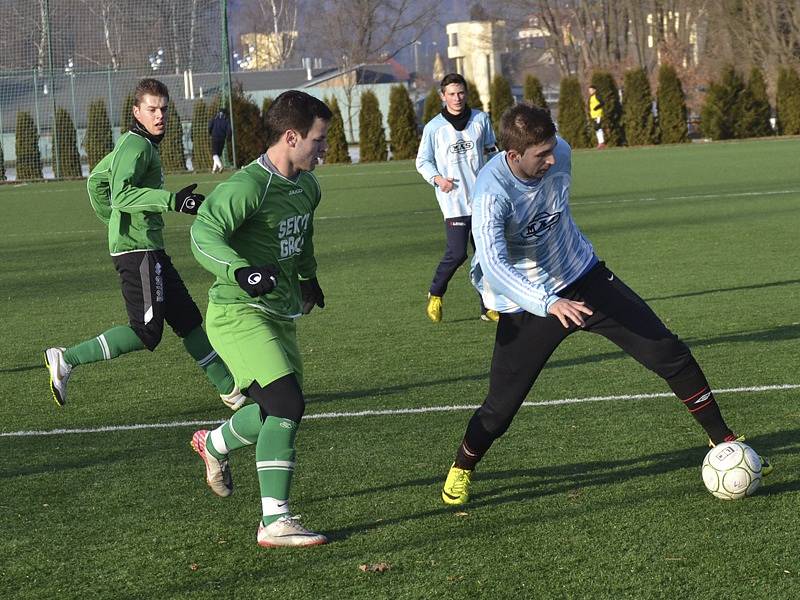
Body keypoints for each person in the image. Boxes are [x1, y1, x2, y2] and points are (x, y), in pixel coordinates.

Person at [440, 103, 772, 505]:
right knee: (500, 408)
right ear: (513, 156)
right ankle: (462, 467)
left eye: (551, 149)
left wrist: (565, 285)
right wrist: (547, 302)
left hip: (584, 276)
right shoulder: (492, 194)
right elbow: (493, 264)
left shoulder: (560, 152)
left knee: (668, 351)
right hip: (528, 303)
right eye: (540, 154)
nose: (552, 157)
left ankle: (724, 441)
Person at [45, 78, 245, 411]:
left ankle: (231, 391)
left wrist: (112, 220)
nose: (159, 115)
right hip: (137, 251)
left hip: (148, 247)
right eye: (151, 109)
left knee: (188, 319)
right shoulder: (136, 146)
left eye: (164, 109)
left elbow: (96, 179)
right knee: (146, 331)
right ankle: (66, 359)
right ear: (137, 111)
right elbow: (120, 193)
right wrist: (170, 202)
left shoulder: (134, 144)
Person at [189, 90, 332, 548]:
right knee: (287, 404)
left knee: (273, 410)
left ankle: (213, 445)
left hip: (280, 312)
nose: (324, 149)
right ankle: (275, 521)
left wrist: (308, 278)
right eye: (318, 139)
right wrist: (240, 270)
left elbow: (302, 237)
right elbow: (203, 234)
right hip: (236, 311)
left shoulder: (308, 186)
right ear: (291, 137)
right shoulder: (248, 186)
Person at [416, 73, 499, 323]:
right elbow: (422, 161)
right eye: (451, 94)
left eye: (461, 93)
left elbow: (492, 150)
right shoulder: (434, 128)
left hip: (483, 199)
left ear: (466, 94)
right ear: (443, 97)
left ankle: (488, 307)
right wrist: (438, 179)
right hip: (453, 200)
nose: (457, 98)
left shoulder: (480, 120)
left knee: (486, 254)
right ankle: (436, 293)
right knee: (457, 253)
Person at [208, 107, 231, 173]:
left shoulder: (215, 118)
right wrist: (229, 138)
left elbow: (210, 126)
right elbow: (229, 130)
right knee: (218, 154)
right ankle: (214, 169)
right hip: (222, 138)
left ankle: (220, 166)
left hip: (215, 137)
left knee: (214, 153)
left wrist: (210, 133)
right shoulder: (226, 119)